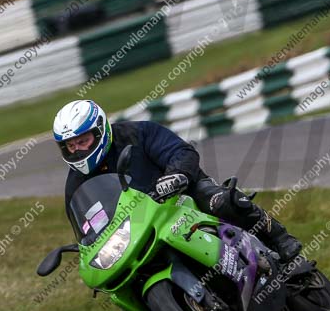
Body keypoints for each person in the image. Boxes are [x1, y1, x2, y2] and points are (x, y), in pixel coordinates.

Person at [53, 99, 302, 261]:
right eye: (70, 146)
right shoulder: (75, 185)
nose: (77, 151)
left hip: (182, 196)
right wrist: (88, 246)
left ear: (100, 131)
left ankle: (280, 239)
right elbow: (86, 227)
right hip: (140, 230)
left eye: (82, 142)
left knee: (221, 201)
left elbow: (181, 151)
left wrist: (176, 175)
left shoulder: (137, 133)